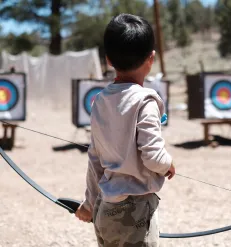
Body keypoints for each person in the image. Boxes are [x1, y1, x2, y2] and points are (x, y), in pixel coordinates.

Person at [75, 13, 175, 247]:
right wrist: (167, 163)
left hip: (106, 207)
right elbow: (152, 156)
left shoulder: (99, 101)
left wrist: (89, 204)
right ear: (151, 59)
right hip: (137, 212)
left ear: (108, 60)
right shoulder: (145, 101)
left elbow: (95, 158)